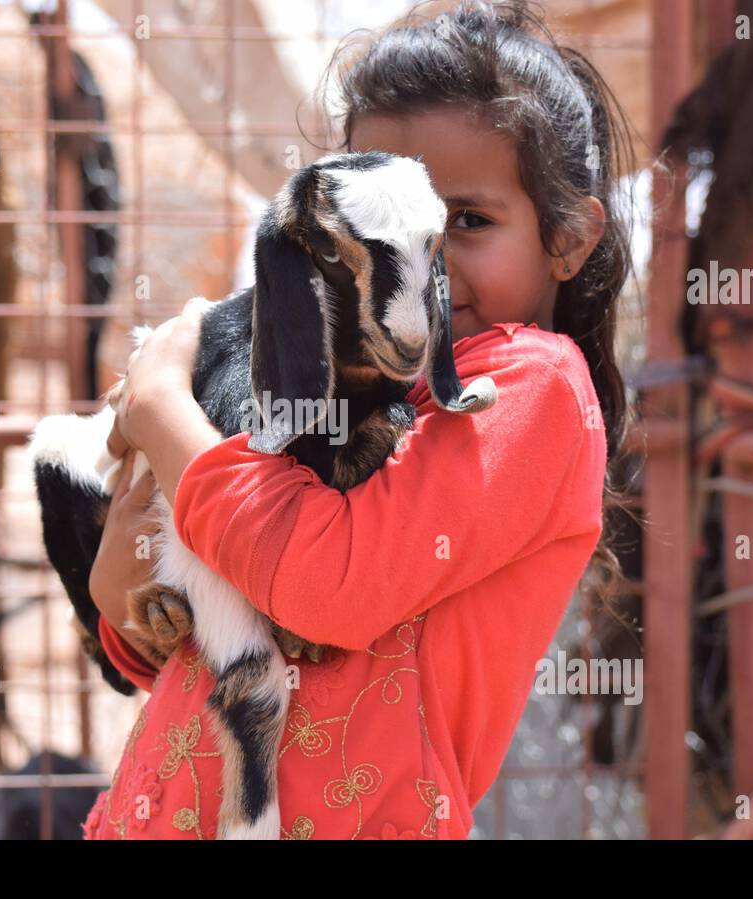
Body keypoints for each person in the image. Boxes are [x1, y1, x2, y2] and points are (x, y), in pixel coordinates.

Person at [81, 0, 632, 840]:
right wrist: (126, 598)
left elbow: (324, 588)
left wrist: (159, 408)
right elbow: (180, 625)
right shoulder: (305, 357)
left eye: (467, 223)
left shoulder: (536, 391)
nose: (418, 272)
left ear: (568, 239)